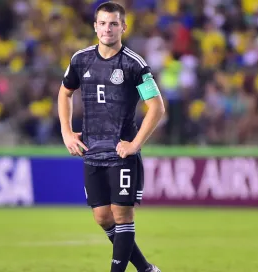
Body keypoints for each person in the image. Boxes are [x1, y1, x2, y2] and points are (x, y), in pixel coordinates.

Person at [58, 2, 165, 272]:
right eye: (103, 23)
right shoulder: (80, 60)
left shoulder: (134, 64)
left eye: (114, 23)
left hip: (121, 152)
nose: (108, 28)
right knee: (102, 217)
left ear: (123, 27)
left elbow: (157, 106)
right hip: (92, 150)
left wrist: (135, 144)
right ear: (95, 27)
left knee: (122, 214)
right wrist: (67, 132)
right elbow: (65, 92)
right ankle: (146, 270)